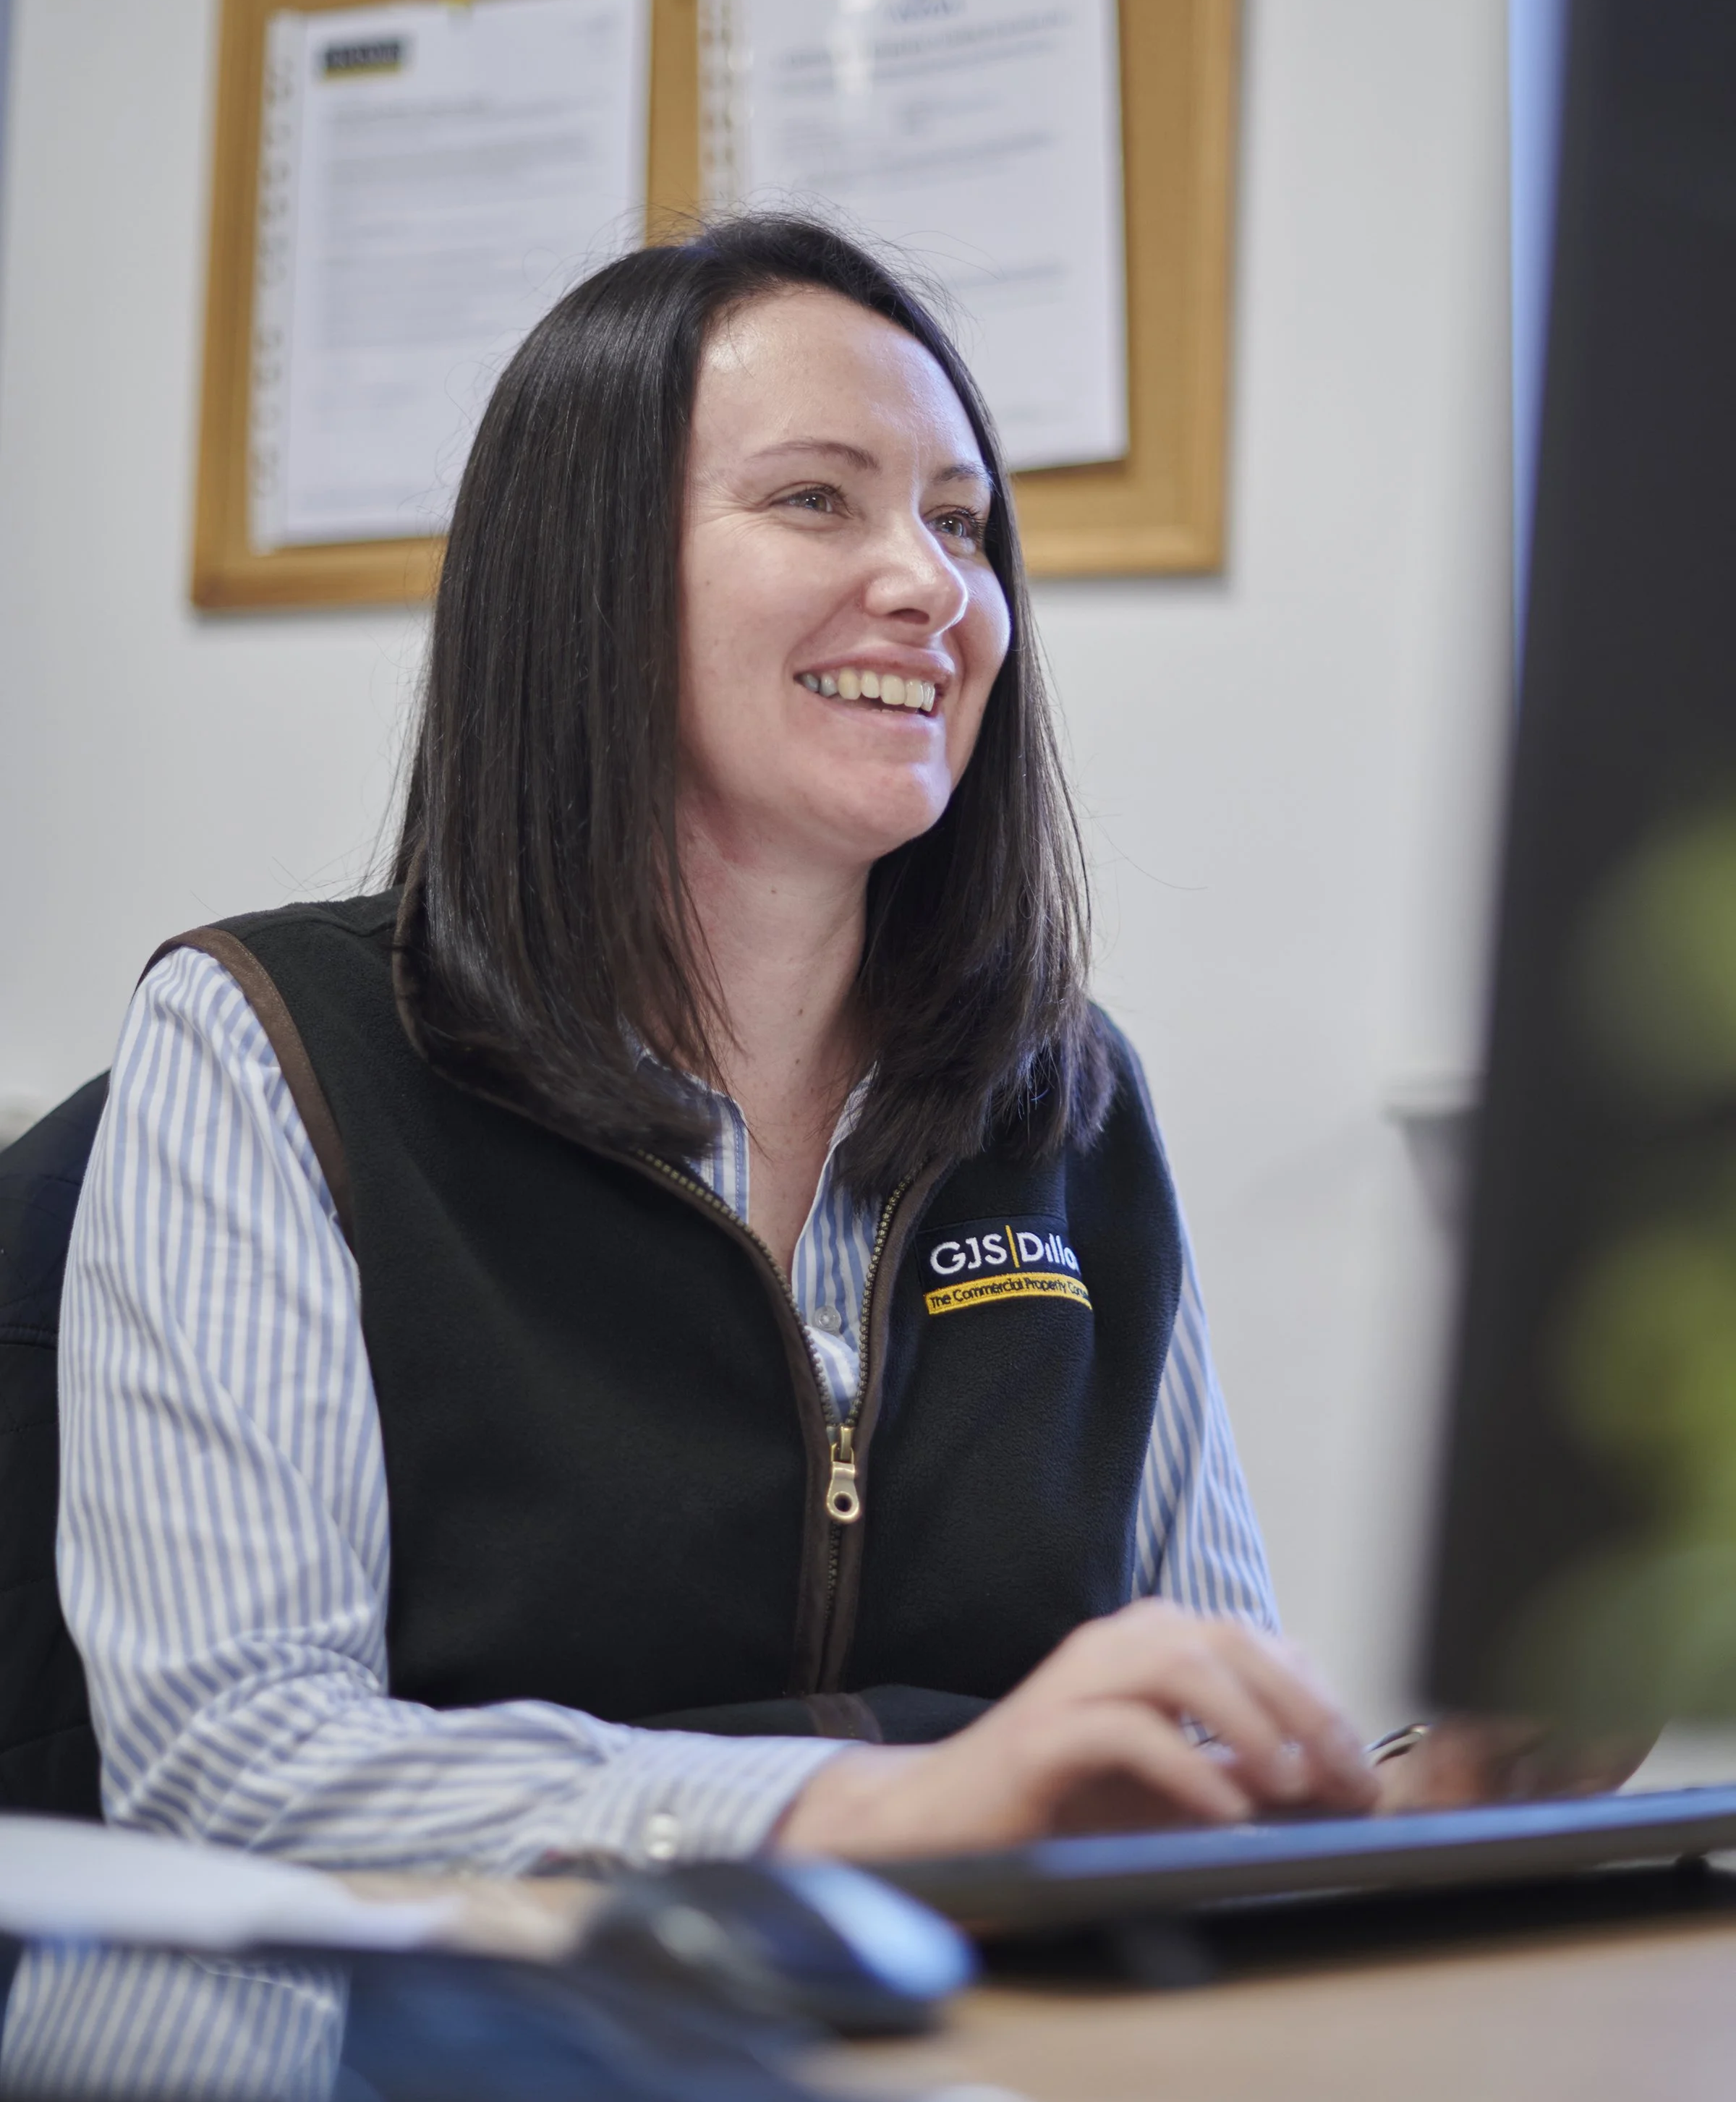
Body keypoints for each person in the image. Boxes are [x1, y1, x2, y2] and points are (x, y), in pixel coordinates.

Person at [57, 214, 1385, 1876]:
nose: (932, 585)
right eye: (815, 498)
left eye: (962, 523)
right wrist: (862, 1809)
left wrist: (1372, 1799)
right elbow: (224, 1762)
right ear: (586, 573)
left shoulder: (1065, 1098)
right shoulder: (265, 1052)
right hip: (469, 2080)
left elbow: (1184, 1708)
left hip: (1007, 2054)